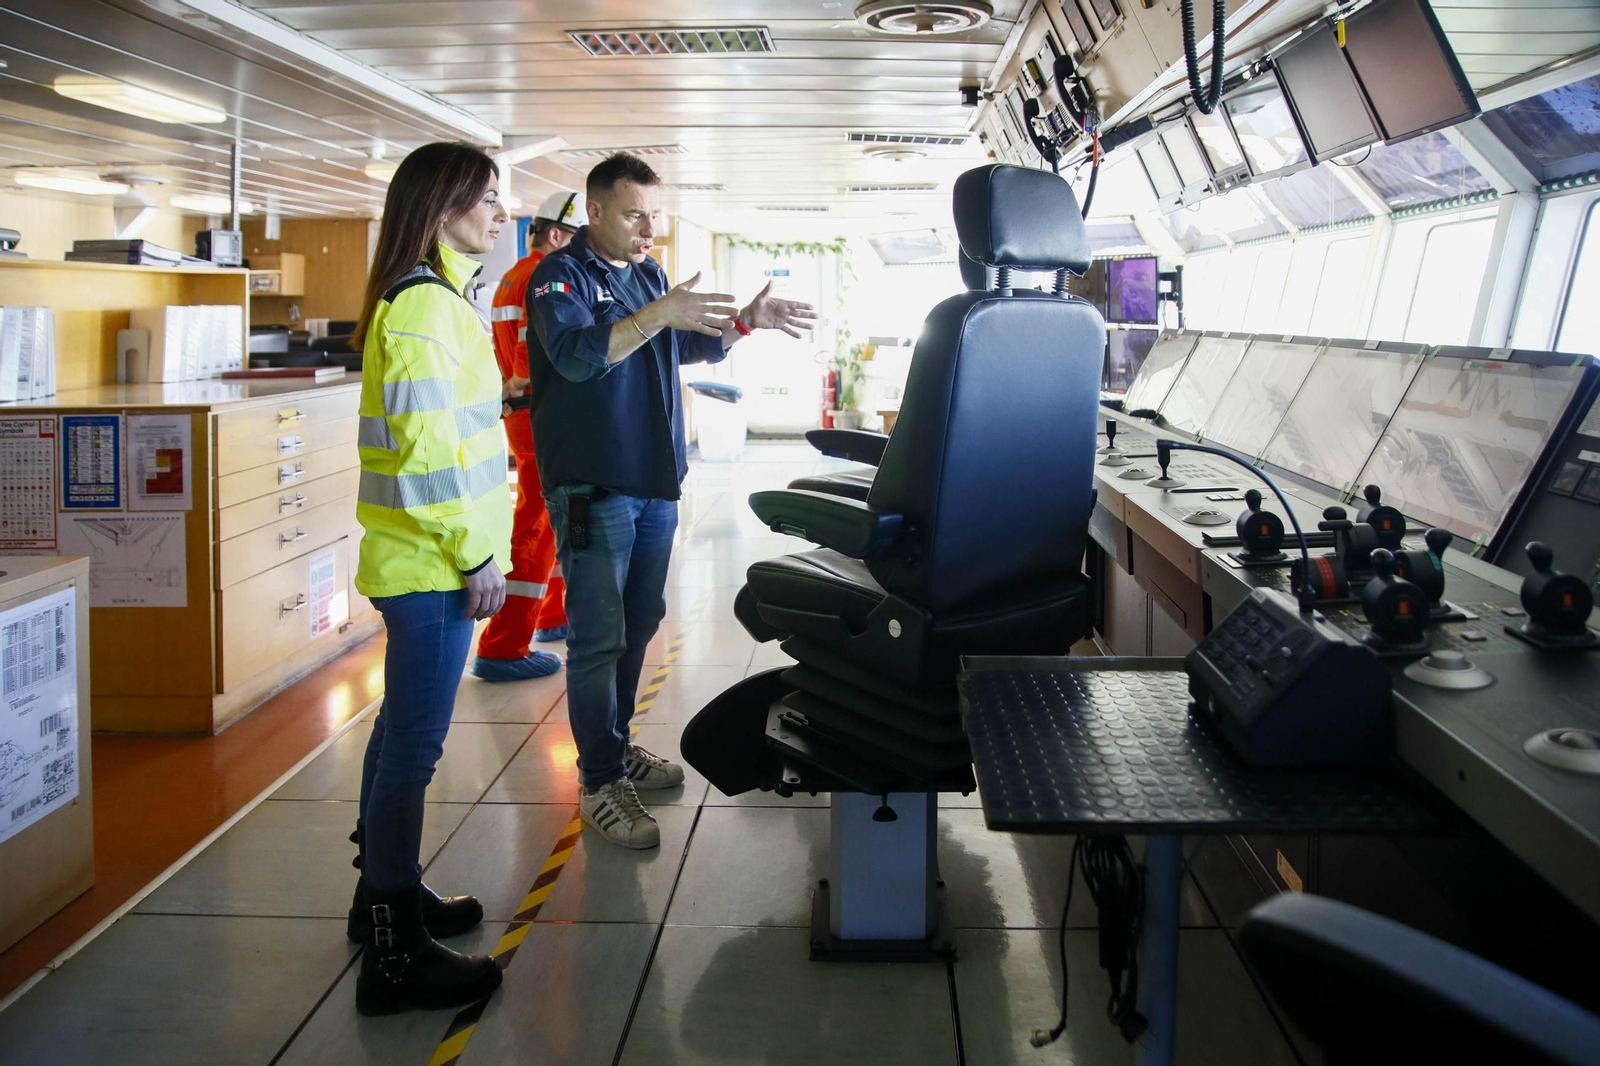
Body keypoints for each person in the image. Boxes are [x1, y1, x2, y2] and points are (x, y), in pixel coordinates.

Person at [526, 152, 817, 849]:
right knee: (596, 640)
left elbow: (676, 349)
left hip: (653, 481)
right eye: (633, 213)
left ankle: (616, 747)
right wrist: (659, 311)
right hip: (594, 485)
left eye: (654, 213)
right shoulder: (558, 276)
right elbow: (578, 356)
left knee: (639, 623)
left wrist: (744, 321)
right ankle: (598, 781)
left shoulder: (649, 274)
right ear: (594, 212)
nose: (648, 227)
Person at [348, 141, 518, 1015]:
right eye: (486, 198)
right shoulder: (423, 308)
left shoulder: (442, 299)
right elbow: (425, 454)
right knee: (413, 750)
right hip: (431, 566)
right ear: (442, 205)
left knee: (396, 741)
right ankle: (393, 955)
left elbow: (455, 436)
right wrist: (474, 554)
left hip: (426, 561)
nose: (499, 211)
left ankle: (383, 894)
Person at [472, 191, 588, 681]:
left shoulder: (510, 278)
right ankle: (503, 646)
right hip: (540, 414)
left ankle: (551, 616)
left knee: (552, 519)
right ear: (557, 235)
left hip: (523, 416)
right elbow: (526, 361)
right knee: (537, 526)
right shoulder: (544, 278)